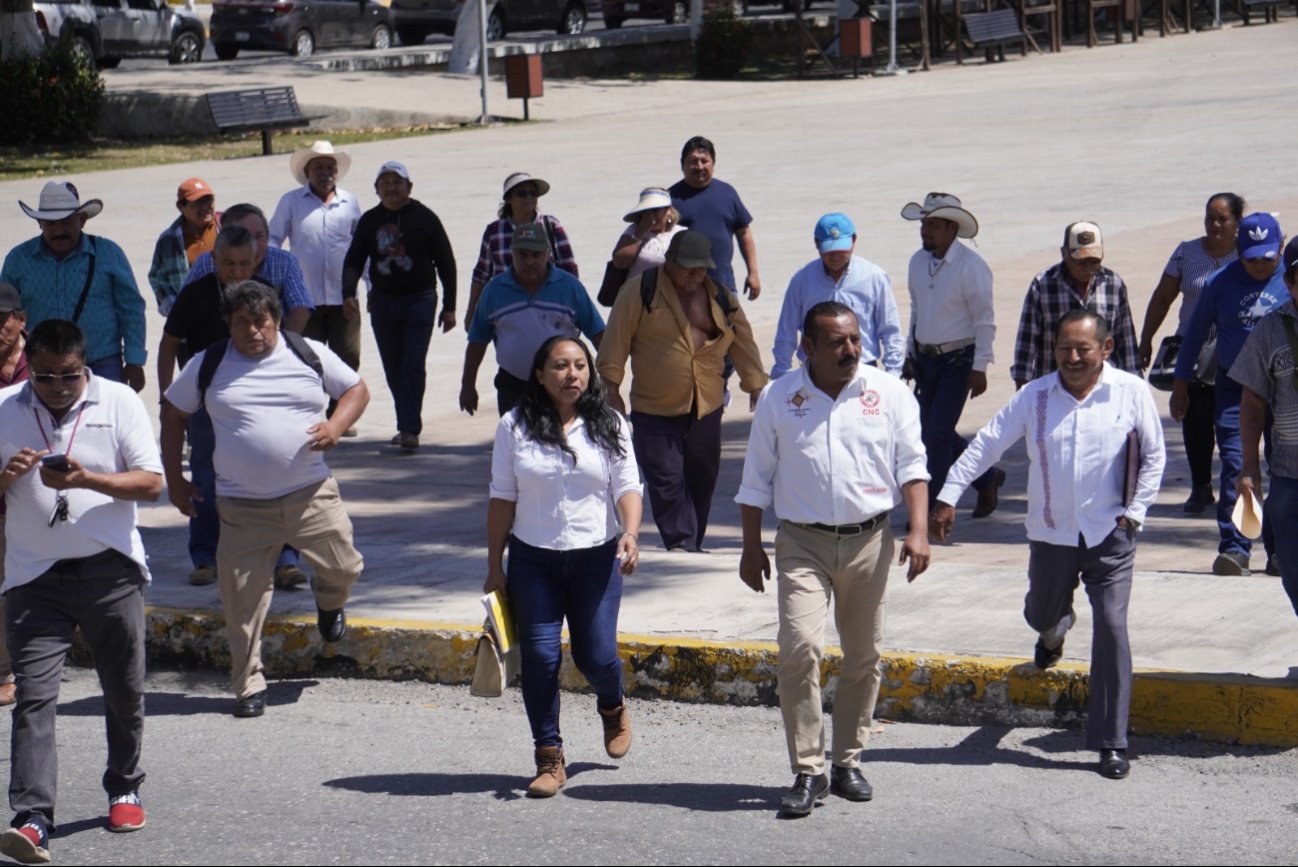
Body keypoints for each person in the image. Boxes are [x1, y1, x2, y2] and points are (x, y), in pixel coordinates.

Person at [933, 310, 1166, 781]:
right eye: (1065, 349)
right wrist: (948, 494)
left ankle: (1111, 742)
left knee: (1113, 627)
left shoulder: (1131, 393)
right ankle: (1052, 632)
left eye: (1084, 349)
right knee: (1041, 612)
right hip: (1050, 533)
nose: (1074, 358)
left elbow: (1155, 456)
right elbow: (986, 446)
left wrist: (1135, 513)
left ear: (1107, 348)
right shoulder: (1035, 396)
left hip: (1111, 534)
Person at [736, 301, 930, 818]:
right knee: (799, 649)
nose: (850, 350)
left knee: (864, 655)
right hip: (802, 542)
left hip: (870, 540)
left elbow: (912, 465)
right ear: (808, 349)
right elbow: (755, 480)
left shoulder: (887, 393)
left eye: (855, 340)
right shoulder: (780, 397)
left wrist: (918, 530)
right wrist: (751, 545)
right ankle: (807, 768)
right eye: (837, 343)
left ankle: (846, 760)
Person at [161, 281, 368, 718]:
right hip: (241, 505)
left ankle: (329, 602)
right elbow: (174, 413)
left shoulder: (305, 352)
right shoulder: (209, 362)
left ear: (276, 319)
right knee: (241, 601)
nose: (253, 330)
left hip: (310, 494)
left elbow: (356, 390)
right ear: (229, 324)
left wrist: (334, 426)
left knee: (345, 567)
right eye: (242, 322)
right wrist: (175, 481)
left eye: (261, 321)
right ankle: (248, 685)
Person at [0, 320, 162, 863]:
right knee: (34, 696)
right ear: (31, 362)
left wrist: (87, 480)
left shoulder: (117, 402)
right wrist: (5, 478)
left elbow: (151, 482)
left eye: (67, 377)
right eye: (44, 376)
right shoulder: (4, 406)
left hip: (108, 571)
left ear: (83, 366)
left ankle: (123, 786)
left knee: (122, 688)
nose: (55, 387)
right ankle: (31, 819)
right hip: (32, 577)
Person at [485, 336, 642, 798]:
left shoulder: (609, 423)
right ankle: (549, 757)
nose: (571, 374)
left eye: (579, 365)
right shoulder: (514, 427)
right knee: (540, 657)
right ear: (539, 374)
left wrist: (630, 532)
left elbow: (628, 485)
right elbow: (501, 499)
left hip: (596, 558)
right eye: (559, 366)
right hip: (534, 561)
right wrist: (495, 564)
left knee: (596, 655)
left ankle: (612, 705)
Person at [597, 231, 768, 552]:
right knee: (666, 481)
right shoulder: (639, 291)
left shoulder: (719, 296)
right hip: (654, 408)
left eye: (701, 268)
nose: (695, 275)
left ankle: (691, 543)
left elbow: (743, 341)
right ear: (670, 262)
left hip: (706, 405)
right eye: (688, 268)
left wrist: (756, 385)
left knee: (702, 481)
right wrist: (611, 387)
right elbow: (615, 341)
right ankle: (680, 543)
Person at [158, 226, 303, 589]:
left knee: (277, 472)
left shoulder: (265, 296)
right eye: (228, 264)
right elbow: (169, 343)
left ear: (256, 262)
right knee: (207, 476)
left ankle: (285, 557)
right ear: (214, 260)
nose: (237, 272)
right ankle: (206, 555)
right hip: (208, 403)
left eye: (244, 264)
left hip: (264, 399)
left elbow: (285, 342)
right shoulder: (195, 294)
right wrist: (166, 395)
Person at [1170, 212, 1287, 577]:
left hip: (1284, 391)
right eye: (1250, 257)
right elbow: (1193, 336)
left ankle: (1280, 550)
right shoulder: (1220, 283)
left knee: (1284, 470)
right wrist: (1180, 385)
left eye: (1267, 258)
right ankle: (1236, 548)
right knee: (1239, 467)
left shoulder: (1292, 280)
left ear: (1280, 248)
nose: (1258, 265)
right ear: (1238, 251)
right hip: (1236, 389)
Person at [1139, 193, 1245, 514]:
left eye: (1222, 219)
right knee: (1194, 418)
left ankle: (1236, 485)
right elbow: (1161, 298)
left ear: (1237, 222)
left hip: (1234, 353)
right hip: (1193, 352)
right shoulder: (1186, 253)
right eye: (1209, 217)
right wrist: (1146, 339)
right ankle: (1200, 487)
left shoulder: (1248, 255)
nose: (1214, 225)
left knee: (1232, 422)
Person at [899, 193, 1003, 515]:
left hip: (958, 361)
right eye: (923, 224)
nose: (924, 231)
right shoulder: (917, 261)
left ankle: (930, 510)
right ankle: (986, 477)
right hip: (925, 360)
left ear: (951, 229)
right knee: (931, 429)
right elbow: (917, 308)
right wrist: (910, 351)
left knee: (935, 436)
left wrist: (980, 366)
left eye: (932, 225)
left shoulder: (972, 267)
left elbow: (984, 320)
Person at [342, 160, 456, 450]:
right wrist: (348, 294)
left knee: (413, 363)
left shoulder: (425, 218)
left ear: (409, 186)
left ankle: (409, 428)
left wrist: (450, 306)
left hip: (420, 300)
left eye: (397, 182)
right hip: (383, 302)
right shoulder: (369, 221)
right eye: (385, 183)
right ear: (377, 190)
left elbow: (446, 262)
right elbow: (354, 260)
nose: (391, 188)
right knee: (393, 366)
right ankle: (405, 422)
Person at [1, 181, 147, 392]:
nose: (59, 230)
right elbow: (6, 315)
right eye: (51, 224)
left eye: (66, 222)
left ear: (82, 220)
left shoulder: (109, 253)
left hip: (101, 363)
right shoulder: (18, 259)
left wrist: (134, 361)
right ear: (40, 223)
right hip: (42, 369)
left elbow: (131, 308)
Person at [462, 223, 604, 418]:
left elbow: (597, 333)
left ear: (547, 254)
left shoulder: (570, 288)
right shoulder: (494, 291)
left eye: (536, 255)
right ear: (512, 255)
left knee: (565, 442)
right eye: (523, 255)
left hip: (563, 384)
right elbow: (477, 341)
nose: (529, 261)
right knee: (516, 444)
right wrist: (467, 385)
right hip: (513, 386)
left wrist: (609, 379)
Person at [1232, 237, 1298, 617]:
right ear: (1288, 282)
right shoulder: (1270, 331)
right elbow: (1253, 401)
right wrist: (1249, 468)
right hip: (1290, 476)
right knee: (1291, 568)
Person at [770, 212, 903, 379]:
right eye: (828, 250)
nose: (835, 256)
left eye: (841, 249)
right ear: (816, 244)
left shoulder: (874, 278)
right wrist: (782, 374)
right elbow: (786, 332)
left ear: (854, 241)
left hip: (862, 368)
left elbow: (890, 330)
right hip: (815, 371)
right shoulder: (802, 281)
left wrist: (894, 374)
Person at [270, 141, 364, 376]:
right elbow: (272, 239)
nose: (325, 174)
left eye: (330, 168)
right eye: (318, 168)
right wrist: (278, 280)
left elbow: (363, 248)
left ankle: (338, 409)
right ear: (306, 172)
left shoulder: (349, 203)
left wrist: (370, 286)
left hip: (344, 300)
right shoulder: (291, 202)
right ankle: (313, 409)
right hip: (304, 301)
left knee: (348, 359)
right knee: (308, 360)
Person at [1011, 221, 1140, 388]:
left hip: (1102, 386)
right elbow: (1027, 339)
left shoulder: (1113, 284)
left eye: (1094, 261)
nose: (1088, 268)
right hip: (1054, 385)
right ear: (1064, 254)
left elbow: (1126, 339)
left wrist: (1135, 383)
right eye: (1081, 261)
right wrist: (1023, 388)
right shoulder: (1043, 284)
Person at [465, 172, 578, 327]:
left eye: (533, 193)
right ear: (509, 199)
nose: (529, 197)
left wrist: (574, 304)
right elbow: (481, 274)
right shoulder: (494, 231)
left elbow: (569, 269)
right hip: (505, 308)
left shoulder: (550, 226)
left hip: (549, 305)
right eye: (522, 193)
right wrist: (471, 313)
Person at [185, 203, 313, 335]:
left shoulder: (285, 261)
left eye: (259, 236)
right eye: (243, 237)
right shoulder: (206, 262)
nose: (254, 245)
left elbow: (301, 307)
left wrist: (282, 344)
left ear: (268, 236)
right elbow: (183, 308)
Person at [669, 135, 760, 299]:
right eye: (693, 161)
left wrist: (753, 272)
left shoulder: (727, 193)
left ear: (713, 163)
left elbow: (744, 232)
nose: (699, 166)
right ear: (682, 165)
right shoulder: (671, 199)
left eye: (704, 161)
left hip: (724, 285)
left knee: (731, 325)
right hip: (683, 290)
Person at [0, 284, 30, 709]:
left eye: (2, 319)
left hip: (48, 498)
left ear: (21, 320)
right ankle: (5, 670)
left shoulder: (45, 364)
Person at [148, 177, 219, 316]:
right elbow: (157, 278)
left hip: (227, 314)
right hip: (190, 320)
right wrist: (175, 309)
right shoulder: (168, 240)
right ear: (180, 207)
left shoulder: (226, 228)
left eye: (208, 200)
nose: (205, 207)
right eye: (197, 203)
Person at [610, 186, 685, 283]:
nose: (650, 216)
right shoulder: (633, 231)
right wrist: (640, 232)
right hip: (637, 293)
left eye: (655, 210)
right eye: (645, 211)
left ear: (668, 210)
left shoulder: (681, 233)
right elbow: (620, 262)